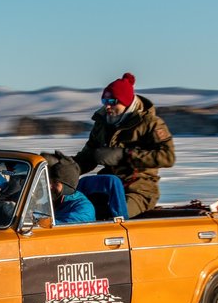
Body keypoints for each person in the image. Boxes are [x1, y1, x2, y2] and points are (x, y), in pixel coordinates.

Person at [73, 72, 175, 217]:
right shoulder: (102, 123)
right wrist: (63, 167)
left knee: (114, 216)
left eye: (113, 101)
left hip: (139, 188)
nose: (107, 106)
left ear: (126, 102)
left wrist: (125, 155)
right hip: (107, 185)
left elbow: (167, 157)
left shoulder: (150, 124)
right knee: (79, 210)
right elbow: (88, 156)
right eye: (104, 101)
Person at [42, 151, 95, 224]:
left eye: (55, 182)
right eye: (48, 181)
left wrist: (39, 222)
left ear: (67, 185)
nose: (49, 186)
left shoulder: (84, 208)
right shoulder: (54, 203)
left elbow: (63, 228)